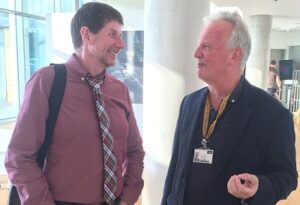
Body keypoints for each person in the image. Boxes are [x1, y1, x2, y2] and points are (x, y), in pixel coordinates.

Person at [5, 2, 144, 205]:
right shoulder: (47, 81)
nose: (121, 44)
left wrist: (127, 200)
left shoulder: (119, 90)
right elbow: (19, 157)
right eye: (113, 34)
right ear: (87, 35)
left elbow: (135, 152)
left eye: (120, 36)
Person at [161, 10, 297, 205]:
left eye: (206, 46)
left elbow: (286, 177)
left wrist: (260, 185)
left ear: (235, 55)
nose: (196, 53)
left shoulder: (273, 115)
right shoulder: (189, 103)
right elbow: (175, 172)